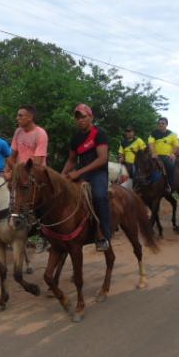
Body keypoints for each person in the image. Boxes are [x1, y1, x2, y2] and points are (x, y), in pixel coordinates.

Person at [62, 104, 111, 252]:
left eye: (83, 116)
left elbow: (102, 159)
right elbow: (71, 160)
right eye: (77, 117)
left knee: (99, 196)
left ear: (91, 117)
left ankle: (104, 234)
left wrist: (78, 173)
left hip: (98, 173)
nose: (80, 120)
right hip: (83, 174)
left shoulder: (99, 134)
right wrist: (61, 176)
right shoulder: (75, 138)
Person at [5, 104, 48, 179]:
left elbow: (36, 165)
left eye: (20, 116)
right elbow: (12, 157)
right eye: (17, 115)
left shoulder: (41, 134)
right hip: (19, 172)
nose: (17, 118)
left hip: (35, 176)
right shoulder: (18, 131)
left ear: (30, 117)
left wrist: (15, 174)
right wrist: (6, 172)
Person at [147, 117, 179, 193]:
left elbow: (176, 145)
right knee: (145, 164)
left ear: (166, 124)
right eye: (159, 123)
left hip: (166, 156)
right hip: (156, 156)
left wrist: (172, 153)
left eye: (163, 123)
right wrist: (153, 152)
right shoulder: (153, 133)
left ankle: (170, 185)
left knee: (171, 166)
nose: (160, 125)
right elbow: (151, 143)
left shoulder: (172, 134)